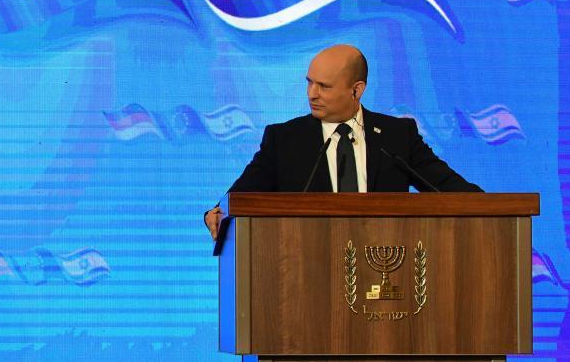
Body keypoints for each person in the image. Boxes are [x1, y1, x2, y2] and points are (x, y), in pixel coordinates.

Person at [204, 44, 481, 239]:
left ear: (356, 90)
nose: (312, 94)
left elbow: (446, 187)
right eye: (309, 82)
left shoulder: (397, 136)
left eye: (324, 86)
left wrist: (491, 210)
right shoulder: (285, 139)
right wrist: (216, 212)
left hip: (385, 269)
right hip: (308, 273)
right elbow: (239, 197)